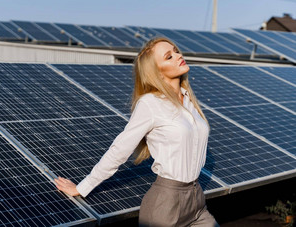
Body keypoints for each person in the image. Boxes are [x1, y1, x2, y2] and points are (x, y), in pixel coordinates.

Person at [54, 37, 219, 227]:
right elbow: (120, 150)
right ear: (157, 71)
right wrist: (82, 188)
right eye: (169, 56)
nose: (178, 56)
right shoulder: (150, 104)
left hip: (197, 201)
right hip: (165, 205)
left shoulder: (189, 101)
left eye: (176, 51)